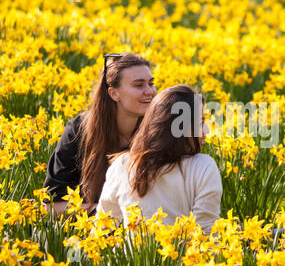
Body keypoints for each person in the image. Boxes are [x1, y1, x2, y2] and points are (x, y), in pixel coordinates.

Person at [97, 85, 222, 234]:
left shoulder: (122, 165)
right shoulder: (204, 166)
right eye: (200, 122)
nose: (206, 131)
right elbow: (205, 233)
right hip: (186, 256)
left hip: (132, 257)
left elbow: (102, 228)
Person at [43, 53, 157, 215]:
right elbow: (51, 206)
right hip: (90, 234)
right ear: (113, 93)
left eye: (151, 83)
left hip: (144, 233)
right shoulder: (79, 131)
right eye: (139, 85)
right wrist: (106, 213)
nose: (149, 91)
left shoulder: (157, 132)